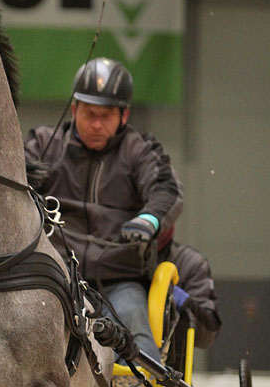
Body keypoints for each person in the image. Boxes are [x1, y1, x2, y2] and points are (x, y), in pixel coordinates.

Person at [24, 57, 184, 362]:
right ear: (74, 109)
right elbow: (12, 181)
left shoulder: (141, 151)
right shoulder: (43, 145)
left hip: (118, 281)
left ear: (124, 115)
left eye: (107, 115)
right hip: (52, 274)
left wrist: (148, 219)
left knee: (134, 326)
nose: (97, 124)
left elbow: (167, 189)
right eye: (89, 114)